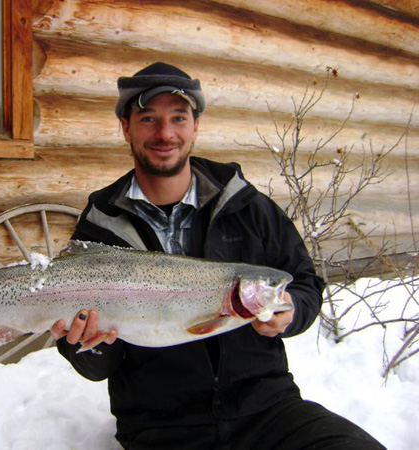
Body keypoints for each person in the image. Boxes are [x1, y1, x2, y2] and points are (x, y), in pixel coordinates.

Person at [51, 62, 385, 449]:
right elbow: (98, 367)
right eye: (148, 119)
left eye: (179, 118)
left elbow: (305, 281)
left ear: (196, 126)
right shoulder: (99, 228)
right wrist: (85, 344)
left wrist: (292, 311)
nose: (165, 133)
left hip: (268, 410)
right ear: (126, 126)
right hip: (160, 427)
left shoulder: (248, 207)